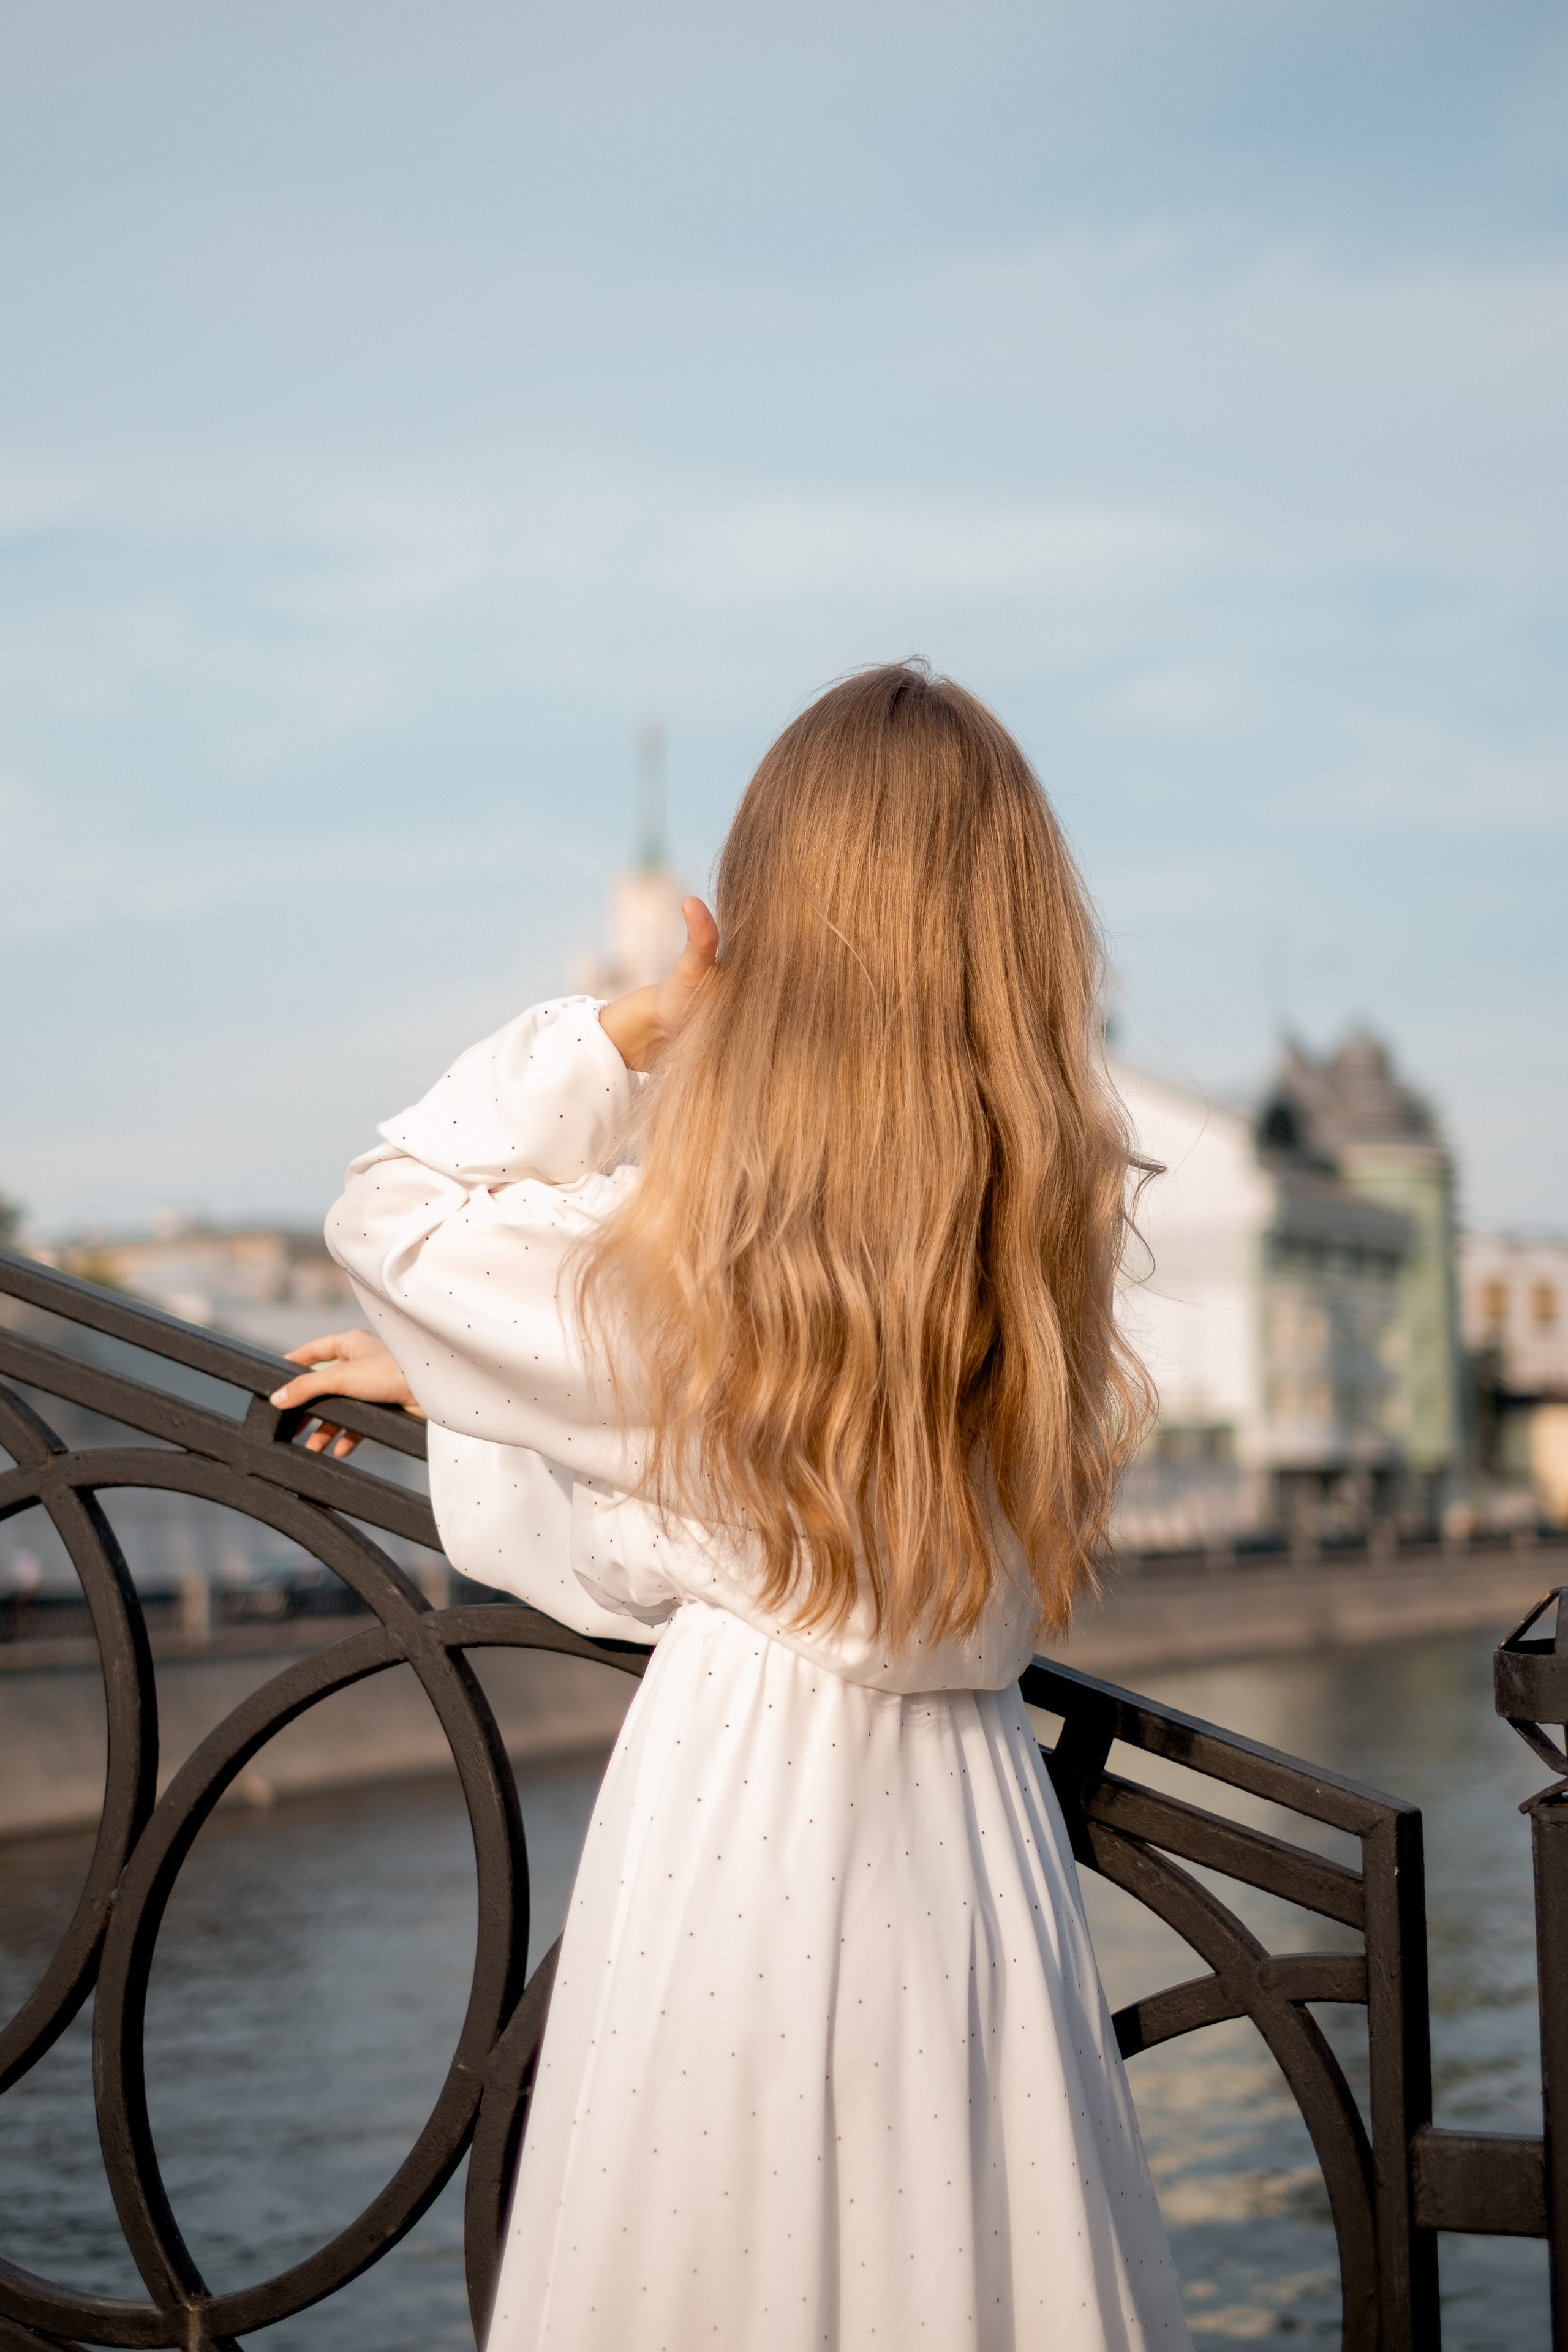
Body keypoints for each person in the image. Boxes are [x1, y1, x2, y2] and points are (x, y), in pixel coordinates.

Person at [273, 664, 1192, 2350]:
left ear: (763, 928)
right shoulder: (1030, 1229)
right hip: (973, 1821)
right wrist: (477, 1378)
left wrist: (642, 1028)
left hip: (751, 1815)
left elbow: (397, 1205)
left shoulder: (703, 1285)